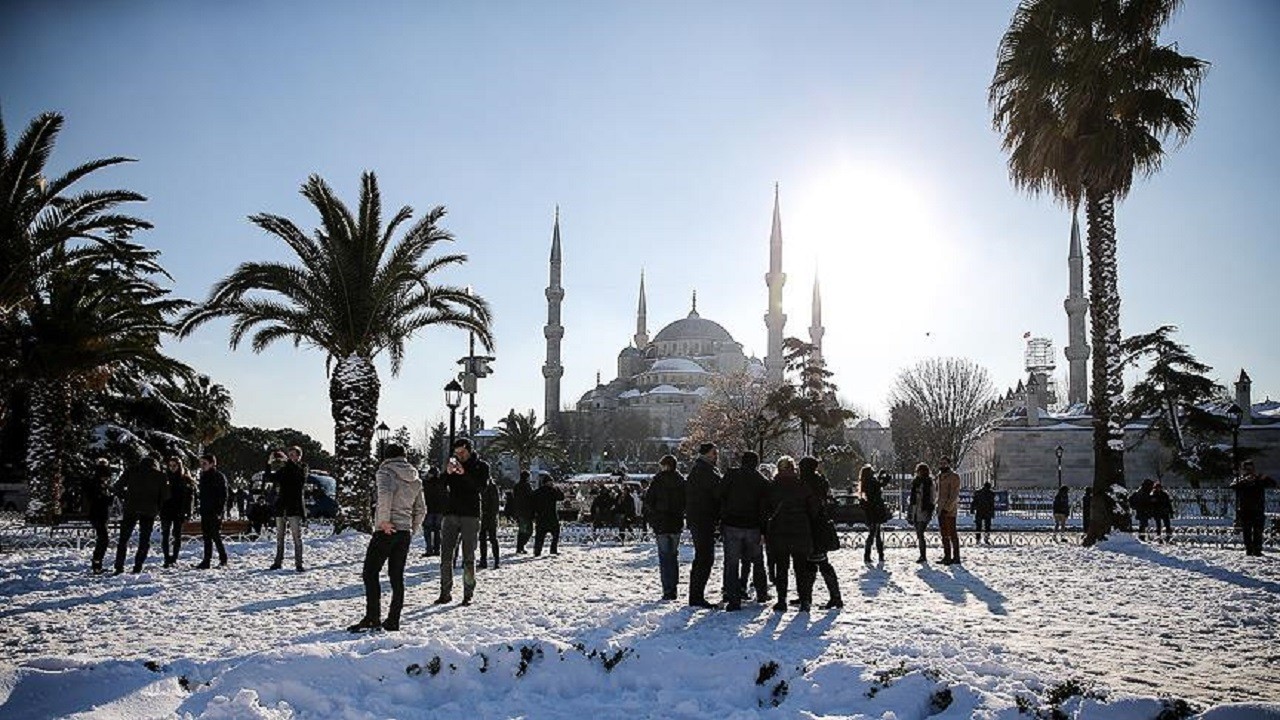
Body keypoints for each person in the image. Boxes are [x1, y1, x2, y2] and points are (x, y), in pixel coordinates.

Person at [348, 443, 426, 632]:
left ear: (386, 457)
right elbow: (421, 509)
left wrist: (383, 522)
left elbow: (385, 495)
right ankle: (393, 619)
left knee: (370, 573)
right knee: (396, 576)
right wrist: (411, 528)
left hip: (386, 530)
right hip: (404, 531)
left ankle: (373, 617)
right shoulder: (416, 478)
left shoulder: (385, 472)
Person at [436, 438, 487, 606]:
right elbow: (439, 486)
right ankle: (445, 592)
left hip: (470, 515)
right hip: (451, 514)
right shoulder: (452, 466)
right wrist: (447, 474)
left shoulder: (482, 466)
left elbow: (480, 488)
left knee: (469, 557)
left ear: (469, 450)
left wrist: (464, 474)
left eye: (462, 453)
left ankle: (468, 593)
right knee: (446, 556)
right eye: (456, 453)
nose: (459, 456)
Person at [765, 456, 819, 612]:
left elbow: (766, 509)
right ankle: (804, 600)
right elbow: (813, 508)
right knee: (801, 568)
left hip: (779, 531)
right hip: (800, 530)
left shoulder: (773, 486)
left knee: (781, 567)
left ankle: (782, 600)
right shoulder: (802, 485)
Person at [718, 451, 770, 611]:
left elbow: (720, 495)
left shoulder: (731, 476)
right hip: (753, 526)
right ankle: (761, 593)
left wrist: (722, 518)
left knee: (731, 563)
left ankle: (733, 598)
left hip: (732, 524)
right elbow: (765, 507)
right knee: (758, 561)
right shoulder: (761, 480)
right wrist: (763, 529)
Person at [799, 456, 843, 609]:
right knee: (817, 562)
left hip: (810, 526)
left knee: (814, 563)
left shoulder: (804, 482)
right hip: (820, 525)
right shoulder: (821, 481)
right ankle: (813, 596)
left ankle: (810, 598)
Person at [113, 456, 169, 575]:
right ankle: (138, 566)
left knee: (124, 538)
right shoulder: (160, 475)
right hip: (149, 511)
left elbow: (117, 487)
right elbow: (165, 496)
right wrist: (157, 507)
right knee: (144, 539)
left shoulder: (131, 471)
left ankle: (119, 566)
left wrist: (126, 497)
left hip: (131, 508)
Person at [684, 442, 722, 608]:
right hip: (703, 519)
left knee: (703, 558)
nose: (716, 456)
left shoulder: (700, 469)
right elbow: (716, 492)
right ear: (706, 454)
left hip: (700, 518)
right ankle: (696, 596)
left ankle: (696, 595)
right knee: (704, 558)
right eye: (714, 453)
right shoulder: (704, 471)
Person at [643, 455, 686, 600]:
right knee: (673, 556)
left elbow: (648, 501)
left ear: (665, 465)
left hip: (661, 524)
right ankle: (673, 588)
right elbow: (685, 502)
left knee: (664, 557)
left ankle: (667, 589)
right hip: (675, 523)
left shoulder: (658, 481)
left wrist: (654, 518)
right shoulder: (681, 481)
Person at [269, 446, 307, 571]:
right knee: (280, 537)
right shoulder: (284, 469)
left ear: (298, 456)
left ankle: (299, 563)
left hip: (294, 507)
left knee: (297, 537)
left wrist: (287, 464)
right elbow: (271, 477)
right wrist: (269, 463)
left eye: (293, 454)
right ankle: (278, 561)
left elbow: (299, 480)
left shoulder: (302, 468)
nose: (290, 457)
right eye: (289, 454)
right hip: (281, 506)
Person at [1232, 460, 1276, 556]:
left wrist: (1264, 478)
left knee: (1258, 531)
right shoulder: (1240, 480)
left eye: (1251, 468)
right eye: (1246, 469)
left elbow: (1273, 484)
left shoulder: (1259, 478)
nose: (1249, 471)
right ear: (1243, 470)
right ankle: (1249, 549)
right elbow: (1233, 486)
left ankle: (1257, 550)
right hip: (1245, 510)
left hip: (1258, 509)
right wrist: (1243, 480)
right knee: (1247, 532)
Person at [160, 457, 196, 569]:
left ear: (179, 466)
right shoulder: (165, 478)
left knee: (177, 535)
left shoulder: (185, 479)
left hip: (179, 511)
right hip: (166, 510)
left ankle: (174, 557)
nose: (172, 468)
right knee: (165, 534)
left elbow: (190, 498)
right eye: (170, 466)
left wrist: (188, 512)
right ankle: (166, 558)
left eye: (174, 466)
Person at [195, 453, 228, 569]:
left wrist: (219, 511)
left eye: (204, 463)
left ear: (212, 464)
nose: (202, 466)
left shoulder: (219, 476)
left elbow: (223, 495)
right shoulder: (203, 476)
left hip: (215, 511)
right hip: (205, 510)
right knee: (206, 536)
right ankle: (206, 560)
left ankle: (223, 558)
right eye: (201, 464)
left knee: (215, 535)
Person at [84, 459, 116, 574]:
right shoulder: (96, 484)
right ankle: (96, 563)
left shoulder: (99, 484)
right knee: (104, 539)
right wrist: (109, 499)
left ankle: (97, 563)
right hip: (98, 515)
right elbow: (99, 500)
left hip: (100, 515)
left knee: (103, 539)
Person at [858, 465, 888, 564]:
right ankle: (870, 555)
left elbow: (878, 484)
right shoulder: (870, 482)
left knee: (876, 533)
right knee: (874, 533)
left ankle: (878, 555)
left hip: (871, 510)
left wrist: (880, 476)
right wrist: (884, 477)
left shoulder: (867, 481)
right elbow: (879, 485)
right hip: (875, 511)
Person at [907, 463, 935, 564]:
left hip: (924, 509)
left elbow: (932, 497)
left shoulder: (929, 482)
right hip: (915, 509)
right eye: (918, 471)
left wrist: (930, 509)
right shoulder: (915, 482)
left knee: (920, 532)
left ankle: (923, 555)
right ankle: (922, 554)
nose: (919, 473)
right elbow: (912, 498)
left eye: (921, 471)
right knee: (919, 534)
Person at [532, 473, 565, 556]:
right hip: (552, 516)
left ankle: (537, 551)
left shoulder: (537, 492)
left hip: (541, 517)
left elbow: (532, 503)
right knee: (555, 534)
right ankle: (553, 550)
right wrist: (557, 488)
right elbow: (561, 497)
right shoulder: (553, 490)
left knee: (539, 536)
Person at [936, 460, 961, 565]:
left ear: (949, 464)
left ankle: (956, 557)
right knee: (944, 534)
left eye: (945, 463)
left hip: (949, 510)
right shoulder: (939, 477)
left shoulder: (954, 477)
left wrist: (947, 508)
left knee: (952, 534)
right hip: (941, 509)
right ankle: (947, 556)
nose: (942, 465)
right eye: (941, 463)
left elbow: (954, 495)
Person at [421, 466, 447, 556]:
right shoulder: (442, 483)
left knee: (427, 530)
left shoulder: (427, 483)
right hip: (440, 510)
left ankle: (429, 549)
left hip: (429, 510)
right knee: (437, 531)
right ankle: (437, 549)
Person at [478, 476, 500, 569]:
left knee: (492, 538)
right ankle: (484, 560)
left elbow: (495, 503)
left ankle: (495, 560)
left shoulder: (491, 487)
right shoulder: (487, 486)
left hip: (489, 516)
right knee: (484, 539)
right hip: (486, 516)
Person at [511, 470, 534, 554]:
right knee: (528, 530)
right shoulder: (527, 486)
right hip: (526, 512)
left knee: (523, 530)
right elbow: (530, 497)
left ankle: (520, 546)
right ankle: (520, 546)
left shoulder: (517, 486)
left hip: (519, 511)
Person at [972, 481, 996, 545]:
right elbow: (992, 504)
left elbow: (974, 502)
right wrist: (992, 513)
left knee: (978, 526)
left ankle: (978, 539)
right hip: (987, 512)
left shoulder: (978, 493)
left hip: (979, 511)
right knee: (987, 527)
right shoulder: (991, 493)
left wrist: (972, 510)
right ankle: (986, 538)